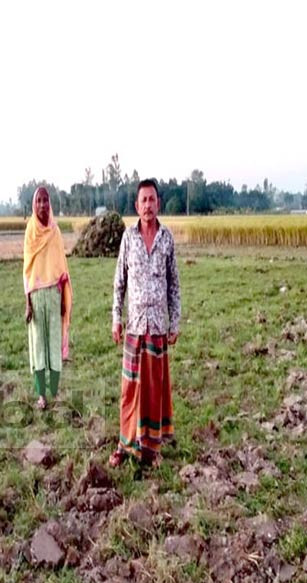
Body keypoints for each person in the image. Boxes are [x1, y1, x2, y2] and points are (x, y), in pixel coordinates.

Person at [110, 178, 180, 468]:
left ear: (157, 203)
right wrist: (116, 318)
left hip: (157, 326)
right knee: (130, 389)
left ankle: (150, 447)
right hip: (135, 326)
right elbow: (119, 283)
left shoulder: (166, 238)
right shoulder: (129, 238)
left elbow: (174, 283)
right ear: (136, 206)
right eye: (143, 201)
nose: (148, 205)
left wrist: (174, 321)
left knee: (153, 389)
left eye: (152, 200)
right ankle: (125, 445)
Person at [23, 186, 73, 410]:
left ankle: (55, 391)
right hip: (36, 297)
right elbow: (27, 270)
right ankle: (41, 395)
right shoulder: (30, 232)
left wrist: (63, 301)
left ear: (50, 203)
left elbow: (62, 267)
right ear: (34, 205)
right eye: (39, 201)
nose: (42, 205)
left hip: (54, 295)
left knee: (53, 344)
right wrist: (27, 303)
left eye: (46, 200)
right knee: (38, 346)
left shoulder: (55, 232)